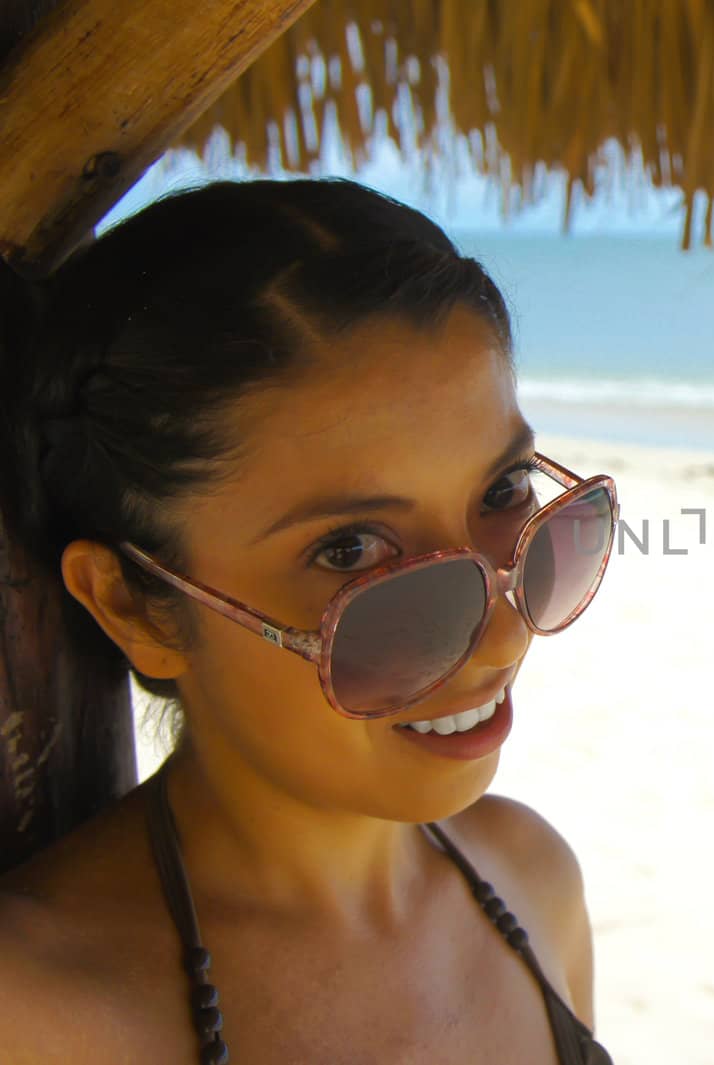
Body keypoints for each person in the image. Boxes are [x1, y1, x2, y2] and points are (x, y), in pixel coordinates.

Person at [0, 177, 617, 1063]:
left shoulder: (534, 880)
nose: (502, 633)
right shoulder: (38, 1017)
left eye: (504, 492)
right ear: (134, 603)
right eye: (351, 550)